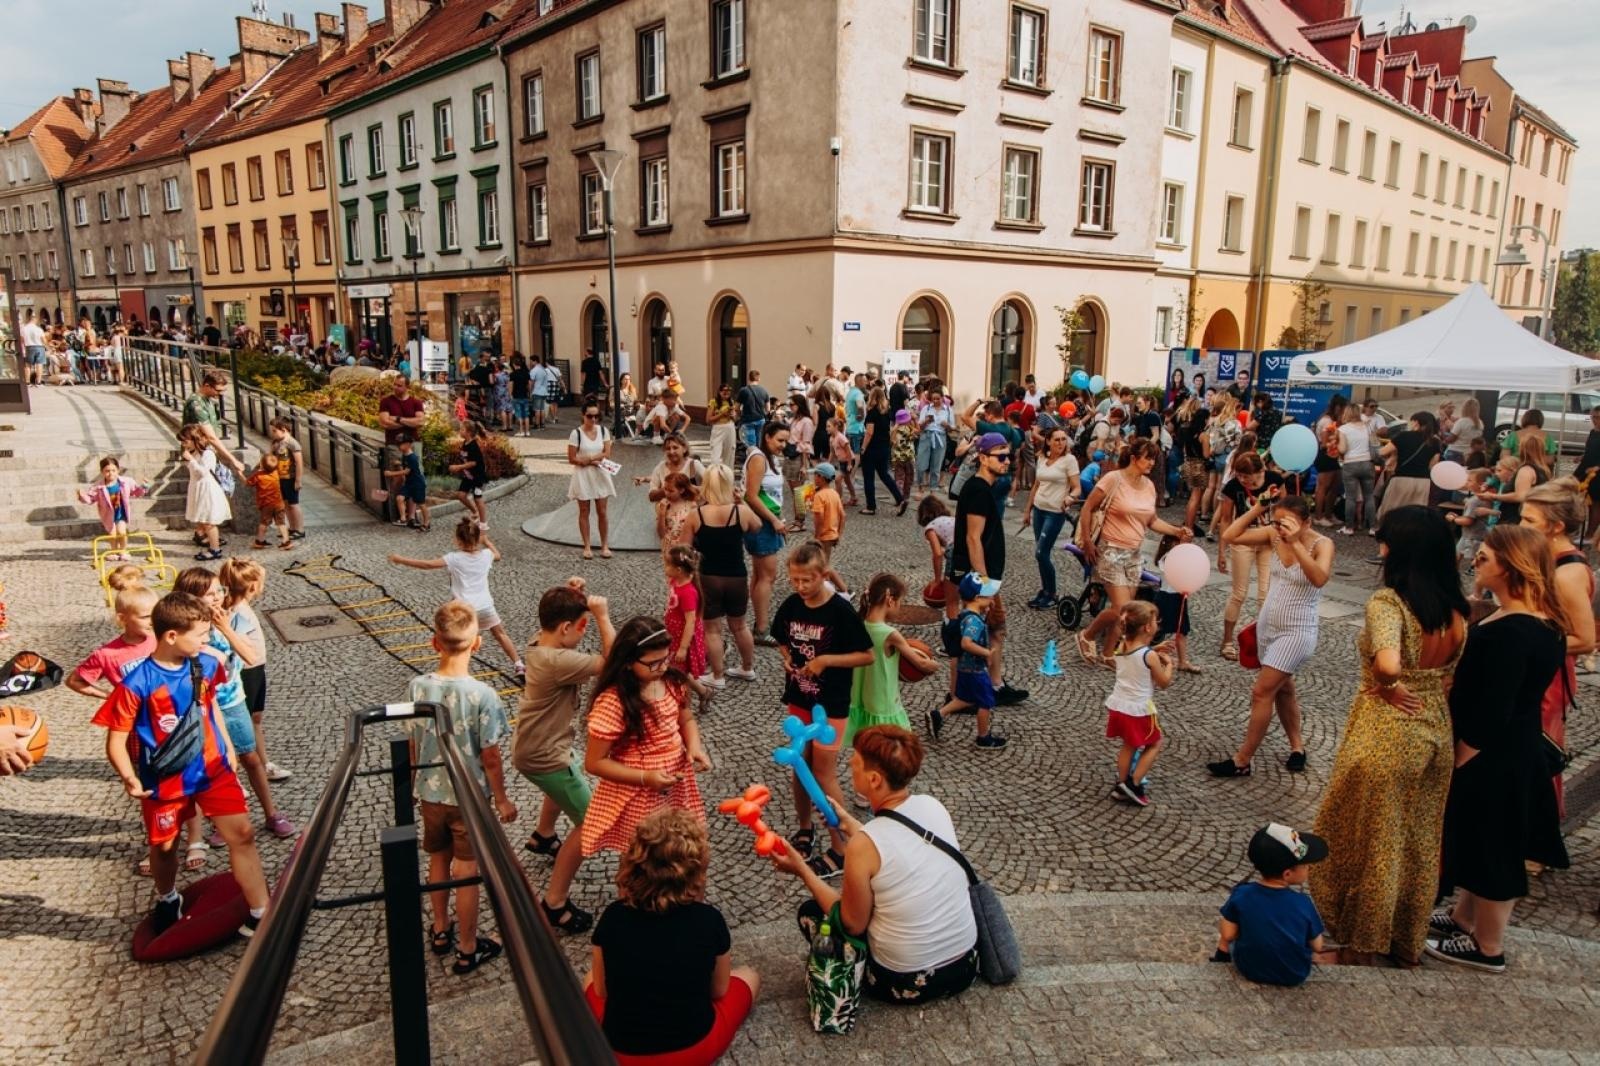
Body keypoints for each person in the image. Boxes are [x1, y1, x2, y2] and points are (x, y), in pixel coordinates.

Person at [1306, 506, 1467, 966]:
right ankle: (1405, 941)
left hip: (1387, 731)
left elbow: (1389, 662)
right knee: (1418, 841)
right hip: (1435, 732)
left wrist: (1389, 685)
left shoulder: (1388, 603)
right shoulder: (1456, 610)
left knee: (1371, 841)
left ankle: (1359, 947)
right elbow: (1448, 677)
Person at [1428, 525, 1570, 972]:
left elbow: (1496, 707)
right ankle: (1462, 918)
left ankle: (1488, 946)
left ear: (1509, 567)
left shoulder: (1515, 632)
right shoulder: (1536, 621)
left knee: (1495, 847)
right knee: (1484, 839)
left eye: (1485, 557)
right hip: (1511, 749)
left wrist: (1464, 754)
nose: (1476, 561)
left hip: (1496, 755)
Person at [94, 591, 271, 936]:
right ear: (172, 636)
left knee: (243, 835)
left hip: (213, 769)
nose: (207, 640)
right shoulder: (136, 684)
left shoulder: (207, 664)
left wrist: (227, 747)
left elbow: (210, 705)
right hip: (164, 781)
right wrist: (129, 777)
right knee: (164, 847)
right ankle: (168, 896)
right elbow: (115, 740)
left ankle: (261, 912)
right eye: (201, 635)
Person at [768, 725, 980, 1004]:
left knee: (812, 912)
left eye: (855, 761)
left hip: (905, 981)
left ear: (875, 779)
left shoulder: (863, 846)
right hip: (966, 964)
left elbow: (852, 924)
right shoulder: (932, 805)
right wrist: (850, 824)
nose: (849, 763)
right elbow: (897, 848)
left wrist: (802, 870)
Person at [585, 809, 758, 1064]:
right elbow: (719, 990)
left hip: (621, 1054)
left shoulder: (613, 917)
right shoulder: (709, 920)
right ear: (696, 875)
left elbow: (602, 990)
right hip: (694, 1049)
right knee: (750, 976)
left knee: (588, 978)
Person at [405, 600, 516, 974]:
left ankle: (440, 929)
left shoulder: (417, 687)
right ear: (477, 643)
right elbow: (491, 756)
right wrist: (501, 799)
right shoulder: (483, 695)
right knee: (466, 871)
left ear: (434, 642)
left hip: (430, 793)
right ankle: (468, 947)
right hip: (469, 797)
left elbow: (412, 742)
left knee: (438, 859)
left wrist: (411, 783)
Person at [516, 580, 615, 934]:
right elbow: (612, 661)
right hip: (546, 754)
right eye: (580, 627)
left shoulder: (538, 643)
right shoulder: (558, 661)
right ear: (564, 628)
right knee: (591, 823)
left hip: (535, 746)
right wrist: (602, 617)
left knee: (564, 775)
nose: (583, 632)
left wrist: (573, 594)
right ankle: (554, 903)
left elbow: (558, 620)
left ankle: (543, 835)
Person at [772, 542, 876, 876]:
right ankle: (805, 828)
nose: (801, 587)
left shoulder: (840, 611)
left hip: (831, 705)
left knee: (823, 773)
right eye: (795, 580)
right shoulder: (792, 605)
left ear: (824, 575)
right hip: (799, 699)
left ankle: (841, 847)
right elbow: (781, 637)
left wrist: (826, 660)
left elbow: (867, 655)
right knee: (799, 765)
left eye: (808, 580)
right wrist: (787, 659)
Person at [1210, 493, 1332, 778]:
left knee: (1262, 692)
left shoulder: (1322, 544)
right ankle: (1298, 747)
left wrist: (1295, 543)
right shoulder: (1273, 535)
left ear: (1306, 522)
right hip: (1268, 627)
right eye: (1276, 522)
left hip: (1297, 631)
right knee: (1284, 689)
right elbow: (1230, 535)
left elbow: (1319, 578)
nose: (1279, 528)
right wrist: (1258, 508)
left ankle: (1242, 760)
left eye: (1286, 523)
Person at [581, 618, 711, 857]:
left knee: (677, 849)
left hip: (675, 785)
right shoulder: (614, 702)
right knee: (639, 855)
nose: (662, 667)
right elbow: (594, 762)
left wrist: (694, 747)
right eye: (653, 663)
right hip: (638, 793)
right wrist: (645, 777)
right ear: (628, 662)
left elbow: (686, 720)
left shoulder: (672, 682)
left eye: (666, 658)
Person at [1519, 478, 1597, 820]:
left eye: (1529, 520)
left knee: (1536, 754)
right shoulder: (1545, 558)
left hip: (1547, 678)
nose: (1521, 525)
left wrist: (1524, 645)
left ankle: (1539, 831)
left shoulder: (1568, 573)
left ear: (1556, 527)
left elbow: (1585, 639)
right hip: (1535, 670)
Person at [1076, 438, 1192, 664]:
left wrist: (1177, 531)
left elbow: (1152, 520)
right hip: (1110, 549)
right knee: (1122, 608)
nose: (1152, 463)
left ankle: (1108, 654)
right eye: (1148, 458)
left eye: (1154, 459)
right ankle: (1087, 635)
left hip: (1134, 553)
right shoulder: (1113, 479)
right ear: (1133, 458)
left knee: (1127, 612)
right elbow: (1087, 507)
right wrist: (1088, 541)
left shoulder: (1148, 486)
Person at [945, 432, 1028, 705]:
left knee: (990, 630)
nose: (1007, 461)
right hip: (981, 577)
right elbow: (973, 539)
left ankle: (988, 686)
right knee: (988, 629)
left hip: (982, 575)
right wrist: (985, 585)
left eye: (1009, 456)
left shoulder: (981, 487)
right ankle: (969, 693)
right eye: (1000, 456)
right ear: (982, 458)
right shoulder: (979, 490)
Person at [388, 516, 524, 674]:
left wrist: (401, 559)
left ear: (458, 541)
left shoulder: (454, 558)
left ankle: (453, 669)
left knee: (457, 641)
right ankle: (519, 664)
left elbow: (427, 565)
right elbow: (497, 555)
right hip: (485, 606)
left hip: (463, 609)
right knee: (500, 634)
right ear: (477, 538)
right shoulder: (487, 555)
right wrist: (487, 542)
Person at [1216, 824, 1328, 987]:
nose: (1308, 868)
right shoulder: (1303, 903)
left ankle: (1221, 957)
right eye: (1305, 865)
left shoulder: (1242, 894)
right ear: (1287, 874)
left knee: (1232, 934)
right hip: (1294, 973)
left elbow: (1227, 934)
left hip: (1250, 969)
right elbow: (1317, 945)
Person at [684, 465, 761, 686]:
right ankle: (747, 667)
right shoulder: (740, 512)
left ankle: (717, 676)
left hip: (708, 577)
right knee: (740, 626)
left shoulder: (696, 515)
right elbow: (757, 526)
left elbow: (684, 548)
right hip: (737, 576)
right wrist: (742, 501)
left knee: (712, 630)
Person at [846, 574, 936, 746]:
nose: (900, 607)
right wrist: (935, 665)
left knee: (868, 748)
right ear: (890, 600)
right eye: (901, 602)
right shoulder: (890, 634)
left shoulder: (859, 625)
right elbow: (921, 663)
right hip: (884, 704)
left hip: (862, 701)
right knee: (896, 750)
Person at [1102, 599, 1174, 806]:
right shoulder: (1150, 656)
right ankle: (1133, 784)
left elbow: (1137, 653)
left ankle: (1121, 783)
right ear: (1147, 628)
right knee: (1154, 744)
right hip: (1139, 710)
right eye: (1156, 621)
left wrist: (1154, 649)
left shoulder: (1122, 645)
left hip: (1120, 706)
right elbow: (1164, 682)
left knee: (1129, 745)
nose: (1158, 624)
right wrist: (1169, 665)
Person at [1214, 451, 1283, 662]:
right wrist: (1222, 550)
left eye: (1246, 476)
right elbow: (1226, 520)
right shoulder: (1232, 487)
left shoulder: (1274, 480)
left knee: (1266, 594)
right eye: (1239, 475)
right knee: (1239, 593)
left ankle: (1263, 642)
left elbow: (1285, 509)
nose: (1242, 479)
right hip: (1243, 540)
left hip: (1268, 540)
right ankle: (1227, 641)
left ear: (1260, 471)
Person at [928, 572, 1008, 748]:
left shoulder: (966, 614)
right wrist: (986, 653)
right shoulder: (974, 621)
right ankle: (983, 737)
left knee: (965, 698)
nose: (992, 599)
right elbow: (966, 643)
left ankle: (938, 714)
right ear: (978, 598)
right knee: (985, 702)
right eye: (989, 596)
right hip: (976, 671)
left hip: (965, 668)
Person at [1020, 425, 1079, 609]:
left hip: (1055, 512)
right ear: (1048, 441)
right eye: (1057, 439)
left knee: (1041, 552)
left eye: (1063, 439)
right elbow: (1036, 486)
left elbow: (1077, 487)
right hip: (1039, 509)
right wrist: (1027, 510)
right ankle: (1045, 591)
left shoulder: (1069, 460)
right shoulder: (1042, 457)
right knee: (1040, 554)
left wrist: (1070, 497)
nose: (1061, 443)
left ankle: (1051, 594)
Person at [743, 421, 790, 645]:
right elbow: (751, 496)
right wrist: (773, 519)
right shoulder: (759, 459)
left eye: (786, 441)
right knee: (767, 576)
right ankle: (762, 628)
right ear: (767, 437)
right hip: (762, 523)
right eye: (780, 440)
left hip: (767, 521)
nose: (783, 445)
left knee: (759, 575)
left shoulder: (768, 458)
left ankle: (759, 624)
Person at [567, 401, 617, 559]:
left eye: (596, 416)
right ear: (583, 415)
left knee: (602, 511)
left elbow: (607, 453)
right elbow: (572, 458)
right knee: (584, 511)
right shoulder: (576, 433)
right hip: (583, 475)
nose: (593, 419)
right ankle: (587, 546)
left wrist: (589, 459)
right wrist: (592, 461)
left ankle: (604, 545)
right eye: (590, 416)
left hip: (600, 473)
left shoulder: (603, 431)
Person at [77, 456, 150, 562]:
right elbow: (90, 499)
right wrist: (82, 496)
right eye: (107, 471)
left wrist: (144, 486)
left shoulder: (126, 482)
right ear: (102, 472)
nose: (110, 473)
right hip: (108, 514)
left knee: (121, 532)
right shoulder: (98, 486)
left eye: (113, 470)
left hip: (121, 512)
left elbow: (136, 492)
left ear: (118, 470)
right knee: (112, 534)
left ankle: (123, 550)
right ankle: (114, 551)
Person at [662, 546, 711, 706]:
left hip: (683, 638)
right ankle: (703, 692)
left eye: (667, 564)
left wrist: (683, 648)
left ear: (679, 570)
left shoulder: (688, 592)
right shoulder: (676, 581)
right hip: (674, 634)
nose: (664, 567)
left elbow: (690, 621)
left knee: (678, 671)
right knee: (677, 669)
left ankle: (684, 707)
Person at [1376, 412, 1442, 521]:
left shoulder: (1404, 436)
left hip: (1402, 479)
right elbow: (1433, 466)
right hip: (1423, 482)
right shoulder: (1435, 442)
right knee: (1416, 514)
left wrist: (1394, 455)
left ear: (1416, 422)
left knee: (1393, 510)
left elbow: (1382, 452)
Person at [180, 425, 231, 562]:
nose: (183, 444)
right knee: (203, 519)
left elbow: (203, 472)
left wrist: (191, 460)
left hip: (207, 489)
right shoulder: (195, 453)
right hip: (198, 488)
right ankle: (205, 537)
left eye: (185, 441)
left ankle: (215, 549)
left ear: (195, 439)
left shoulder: (208, 454)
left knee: (209, 521)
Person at [1311, 395, 1349, 528]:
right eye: (1343, 408)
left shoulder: (1334, 420)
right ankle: (1318, 516)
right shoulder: (1326, 421)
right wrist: (1336, 442)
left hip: (1334, 456)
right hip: (1325, 456)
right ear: (1338, 407)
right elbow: (1324, 443)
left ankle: (1328, 514)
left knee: (1335, 486)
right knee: (1323, 487)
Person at [267, 417, 306, 541]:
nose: (272, 433)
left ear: (283, 430)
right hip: (280, 478)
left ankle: (300, 529)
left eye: (274, 431)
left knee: (294, 504)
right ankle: (292, 527)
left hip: (290, 478)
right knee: (286, 504)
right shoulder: (276, 442)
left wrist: (298, 480)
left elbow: (299, 463)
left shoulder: (293, 444)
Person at [244, 454, 291, 551]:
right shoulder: (275, 472)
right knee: (281, 523)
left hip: (266, 504)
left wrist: (239, 473)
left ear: (262, 465)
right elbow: (270, 466)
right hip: (279, 503)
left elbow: (247, 483)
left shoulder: (258, 476)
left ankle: (260, 541)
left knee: (264, 523)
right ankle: (286, 541)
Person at [450, 420, 492, 530]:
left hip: (478, 477)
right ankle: (475, 512)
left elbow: (474, 462)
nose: (459, 431)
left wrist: (458, 467)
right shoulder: (465, 443)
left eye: (462, 429)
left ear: (468, 432)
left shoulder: (474, 446)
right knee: (461, 495)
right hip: (468, 476)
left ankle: (483, 523)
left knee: (478, 498)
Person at [385, 433, 431, 532]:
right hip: (409, 483)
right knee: (399, 498)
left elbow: (407, 471)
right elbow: (405, 467)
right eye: (398, 444)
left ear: (408, 444)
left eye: (401, 444)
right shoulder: (404, 455)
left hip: (417, 484)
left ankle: (427, 523)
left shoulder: (412, 457)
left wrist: (391, 473)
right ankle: (403, 519)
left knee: (421, 504)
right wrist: (399, 464)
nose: (399, 446)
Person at [914, 385, 954, 496]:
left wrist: (947, 426)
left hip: (940, 437)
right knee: (921, 464)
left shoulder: (948, 410)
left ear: (942, 398)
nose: (935, 401)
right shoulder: (926, 409)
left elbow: (952, 429)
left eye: (938, 399)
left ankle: (933, 490)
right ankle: (920, 488)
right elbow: (920, 427)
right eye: (933, 399)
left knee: (936, 466)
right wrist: (926, 421)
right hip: (926, 436)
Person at [786, 396, 817, 528]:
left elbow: (806, 444)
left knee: (799, 491)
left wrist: (804, 466)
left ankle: (800, 521)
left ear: (799, 405)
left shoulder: (806, 422)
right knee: (795, 491)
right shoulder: (794, 420)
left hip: (799, 457)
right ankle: (797, 519)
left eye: (792, 404)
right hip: (790, 456)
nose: (790, 407)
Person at [808, 462, 845, 564]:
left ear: (820, 477)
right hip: (832, 534)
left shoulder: (819, 496)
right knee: (825, 561)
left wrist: (817, 536)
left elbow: (819, 518)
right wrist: (838, 534)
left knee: (820, 563)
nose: (813, 478)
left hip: (823, 536)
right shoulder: (835, 493)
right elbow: (843, 515)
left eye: (815, 475)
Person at [919, 495, 954, 593]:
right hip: (973, 550)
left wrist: (937, 580)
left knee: (950, 592)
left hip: (957, 552)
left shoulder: (931, 527)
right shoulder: (951, 519)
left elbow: (938, 554)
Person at [827, 417, 860, 506]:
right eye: (827, 426)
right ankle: (854, 498)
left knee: (837, 480)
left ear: (835, 427)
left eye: (829, 426)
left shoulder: (840, 437)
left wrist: (849, 464)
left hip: (849, 461)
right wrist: (828, 464)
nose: (827, 428)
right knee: (847, 481)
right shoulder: (831, 438)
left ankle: (839, 501)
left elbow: (848, 450)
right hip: (842, 462)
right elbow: (832, 452)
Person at [735, 370, 769, 453]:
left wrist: (739, 415)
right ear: (759, 378)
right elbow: (768, 409)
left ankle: (752, 458)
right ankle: (760, 458)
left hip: (748, 420)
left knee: (751, 446)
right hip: (761, 420)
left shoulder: (743, 390)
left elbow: (736, 407)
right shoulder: (764, 390)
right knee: (760, 444)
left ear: (749, 378)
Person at [705, 383, 738, 469]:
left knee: (729, 454)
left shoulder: (731, 402)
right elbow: (708, 420)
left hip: (730, 428)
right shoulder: (713, 402)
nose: (727, 392)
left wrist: (733, 415)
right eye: (724, 390)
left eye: (729, 391)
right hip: (718, 429)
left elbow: (735, 419)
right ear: (719, 392)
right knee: (716, 455)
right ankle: (715, 473)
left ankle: (728, 473)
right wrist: (722, 414)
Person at [1443, 397, 1484, 464]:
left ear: (1464, 408)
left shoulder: (1462, 422)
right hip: (1469, 454)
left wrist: (1444, 433)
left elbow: (1450, 440)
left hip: (1455, 453)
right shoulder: (1480, 423)